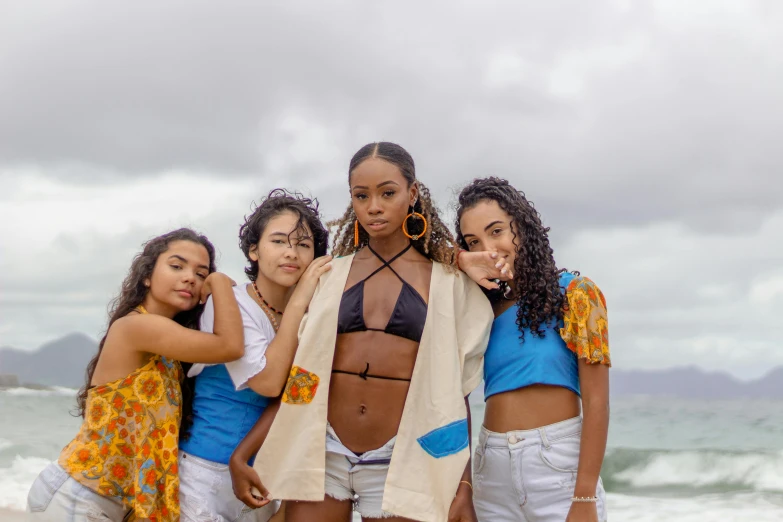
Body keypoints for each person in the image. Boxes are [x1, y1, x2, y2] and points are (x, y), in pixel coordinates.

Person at [237, 142, 494, 522]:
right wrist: (243, 454)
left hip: (403, 457)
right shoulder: (328, 276)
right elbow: (303, 379)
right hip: (324, 451)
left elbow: (457, 394)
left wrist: (463, 486)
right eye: (361, 195)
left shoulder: (449, 284)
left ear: (413, 193)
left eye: (387, 193)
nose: (374, 206)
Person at [26, 228, 244, 521]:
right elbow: (230, 346)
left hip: (114, 505)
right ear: (146, 276)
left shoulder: (172, 355)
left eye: (202, 273)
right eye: (177, 266)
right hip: (79, 496)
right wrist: (219, 281)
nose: (191, 278)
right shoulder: (136, 327)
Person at [456, 177, 610, 522]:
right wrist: (458, 260)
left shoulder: (576, 294)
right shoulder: (479, 307)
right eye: (473, 242)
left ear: (522, 227)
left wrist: (584, 494)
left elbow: (597, 401)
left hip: (559, 470)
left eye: (496, 231)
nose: (489, 248)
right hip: (490, 471)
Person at [178, 189, 330, 522]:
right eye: (278, 241)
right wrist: (302, 297)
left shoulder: (314, 315)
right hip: (202, 477)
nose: (291, 253)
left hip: (263, 482)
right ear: (254, 250)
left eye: (303, 245)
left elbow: (300, 397)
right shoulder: (230, 303)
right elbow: (269, 382)